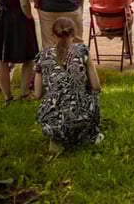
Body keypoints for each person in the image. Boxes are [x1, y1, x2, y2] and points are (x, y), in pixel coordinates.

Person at [33, 18, 102, 152]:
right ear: (74, 35)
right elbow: (96, 86)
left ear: (53, 35)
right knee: (94, 95)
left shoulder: (42, 56)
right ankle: (85, 133)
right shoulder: (82, 52)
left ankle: (57, 134)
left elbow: (38, 94)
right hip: (81, 115)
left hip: (50, 119)